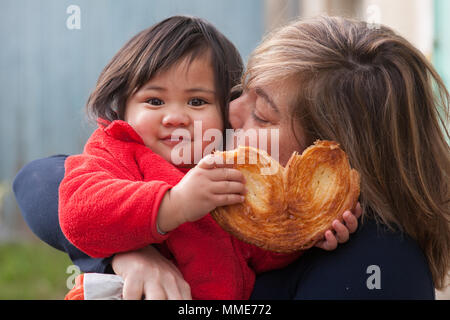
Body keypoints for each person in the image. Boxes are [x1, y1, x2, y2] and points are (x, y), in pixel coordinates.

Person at [15, 15, 446, 300]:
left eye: (261, 114)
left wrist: (303, 235)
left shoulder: (379, 264)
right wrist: (135, 246)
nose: (230, 113)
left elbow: (254, 255)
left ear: (324, 164)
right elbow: (45, 184)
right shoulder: (182, 162)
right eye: (242, 91)